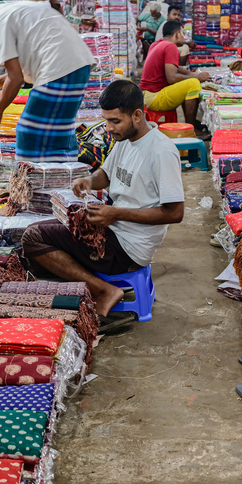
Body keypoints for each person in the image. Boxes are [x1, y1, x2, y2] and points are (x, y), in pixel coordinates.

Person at [21, 80, 184, 333]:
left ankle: (104, 290)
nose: (108, 128)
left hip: (128, 248)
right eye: (106, 120)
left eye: (115, 121)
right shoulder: (124, 141)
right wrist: (88, 180)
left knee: (32, 238)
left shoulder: (161, 152)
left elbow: (175, 213)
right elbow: (106, 175)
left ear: (137, 115)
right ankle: (96, 285)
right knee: (42, 230)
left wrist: (116, 213)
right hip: (115, 229)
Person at [0, 0, 95, 162]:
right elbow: (26, 63)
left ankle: (30, 183)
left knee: (28, 132)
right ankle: (65, 178)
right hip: (79, 65)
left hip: (58, 70)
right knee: (60, 131)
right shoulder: (17, 8)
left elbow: (16, 78)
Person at [141, 20, 211, 138]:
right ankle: (190, 130)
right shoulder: (170, 47)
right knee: (193, 84)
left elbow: (175, 68)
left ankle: (191, 125)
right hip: (155, 97)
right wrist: (196, 78)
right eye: (182, 33)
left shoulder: (156, 44)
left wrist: (193, 74)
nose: (184, 37)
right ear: (177, 34)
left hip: (145, 96)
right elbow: (172, 77)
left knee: (189, 82)